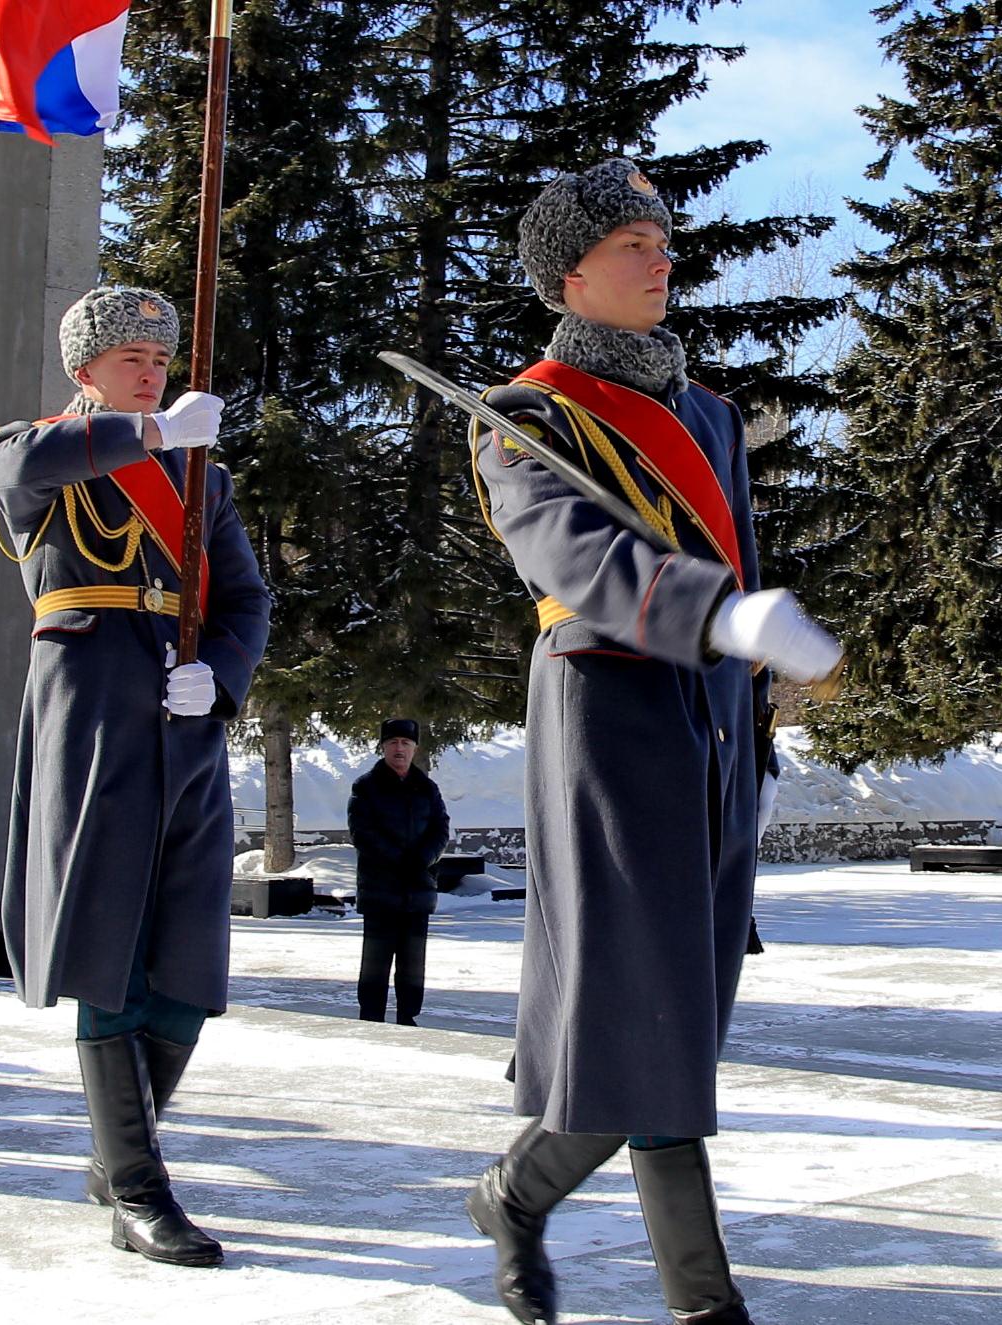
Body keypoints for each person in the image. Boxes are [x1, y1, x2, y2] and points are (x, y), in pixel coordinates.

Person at [460, 159, 842, 1325]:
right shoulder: (526, 413)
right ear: (568, 274)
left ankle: (520, 1195)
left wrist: (756, 717)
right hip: (610, 707)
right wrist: (712, 612)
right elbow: (569, 557)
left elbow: (744, 562)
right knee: (645, 1003)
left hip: (715, 721)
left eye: (664, 239)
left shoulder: (711, 414)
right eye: (634, 243)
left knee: (680, 1009)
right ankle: (696, 1298)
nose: (663, 258)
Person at [0, 285, 273, 1267]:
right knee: (110, 940)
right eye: (132, 359)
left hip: (184, 718)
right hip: (95, 709)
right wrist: (150, 431)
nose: (154, 369)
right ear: (87, 372)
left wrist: (223, 673)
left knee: (187, 958)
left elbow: (246, 598)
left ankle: (121, 1153)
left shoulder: (206, 483)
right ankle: (140, 1186)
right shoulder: (33, 451)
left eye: (161, 358)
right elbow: (29, 463)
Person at [349, 717, 450, 1025]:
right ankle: (370, 1017)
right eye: (393, 742)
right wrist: (397, 859)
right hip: (380, 889)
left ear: (415, 748)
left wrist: (424, 858)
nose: (399, 749)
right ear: (382, 747)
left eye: (405, 743)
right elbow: (362, 832)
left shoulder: (427, 787)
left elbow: (441, 828)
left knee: (412, 962)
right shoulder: (366, 786)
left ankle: (408, 1016)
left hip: (417, 889)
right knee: (376, 962)